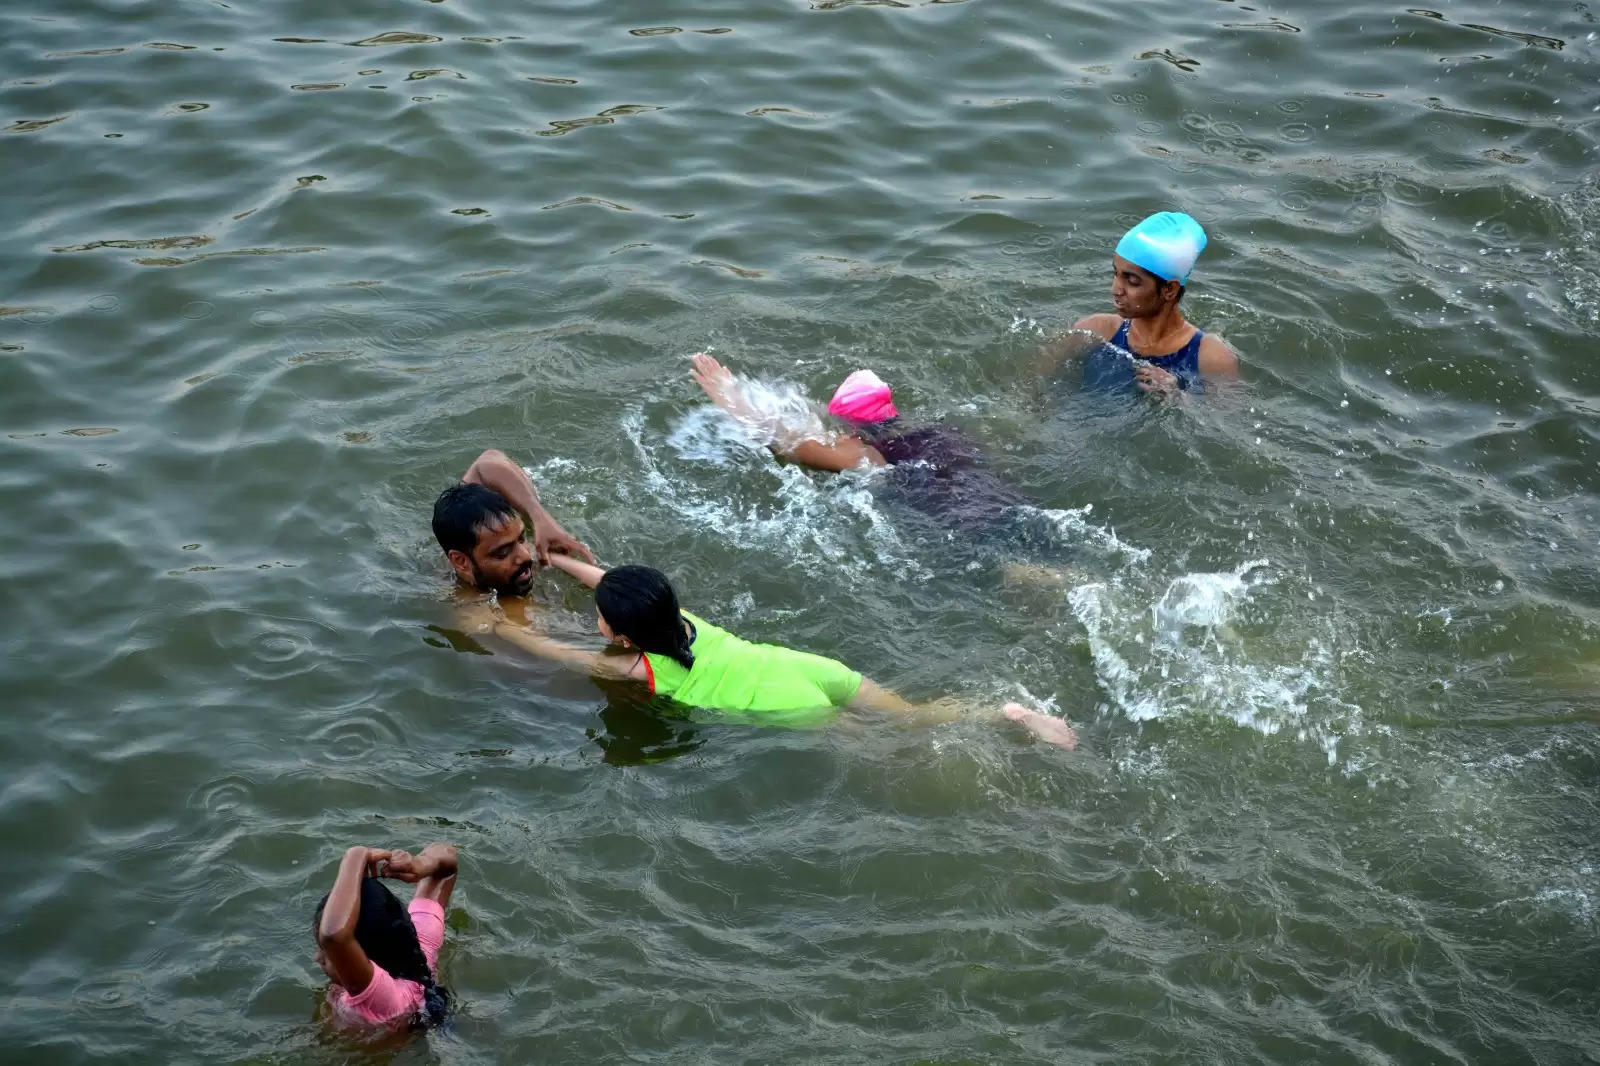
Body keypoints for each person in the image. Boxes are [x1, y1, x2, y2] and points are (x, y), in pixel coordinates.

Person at [463, 551, 1078, 748]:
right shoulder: (681, 619)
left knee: (893, 753)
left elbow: (544, 650)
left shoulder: (627, 665)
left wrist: (491, 624)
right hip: (805, 667)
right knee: (912, 718)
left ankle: (1001, 733)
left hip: (788, 707)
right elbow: (605, 577)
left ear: (622, 634)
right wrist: (556, 558)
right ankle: (1005, 713)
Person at [690, 354, 1031, 535]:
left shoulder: (866, 453)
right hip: (1013, 505)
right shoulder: (947, 433)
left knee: (1008, 567)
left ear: (849, 425)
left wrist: (730, 397)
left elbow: (787, 445)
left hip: (962, 524)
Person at [1050, 211, 1240, 394]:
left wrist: (1180, 397)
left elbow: (1231, 420)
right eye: (1115, 273)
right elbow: (1036, 390)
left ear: (1169, 290)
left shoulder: (1211, 356)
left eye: (1132, 281)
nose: (1116, 289)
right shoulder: (1094, 330)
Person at [312, 842, 459, 1030]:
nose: (318, 958)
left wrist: (355, 856)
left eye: (327, 953)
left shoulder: (383, 998)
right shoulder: (420, 943)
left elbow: (334, 936)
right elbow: (446, 865)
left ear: (364, 959)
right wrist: (418, 865)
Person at [433, 449, 595, 597]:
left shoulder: (484, 552)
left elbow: (485, 463)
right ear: (460, 561)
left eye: (521, 538)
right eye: (503, 552)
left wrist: (540, 518)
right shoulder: (474, 611)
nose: (525, 555)